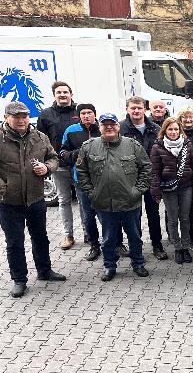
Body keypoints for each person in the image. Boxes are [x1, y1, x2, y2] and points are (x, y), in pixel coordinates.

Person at [76, 113, 152, 282]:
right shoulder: (88, 147)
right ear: (99, 127)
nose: (109, 127)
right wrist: (91, 192)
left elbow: (146, 168)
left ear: (118, 126)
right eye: (105, 125)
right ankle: (109, 266)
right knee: (108, 238)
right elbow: (81, 172)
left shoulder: (132, 145)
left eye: (112, 124)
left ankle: (138, 263)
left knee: (134, 236)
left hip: (130, 202)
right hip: (104, 203)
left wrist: (137, 190)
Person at [0, 101, 64, 297]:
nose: (21, 120)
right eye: (16, 116)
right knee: (15, 242)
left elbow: (53, 157)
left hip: (36, 198)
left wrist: (47, 168)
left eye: (25, 116)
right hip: (8, 202)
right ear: (6, 118)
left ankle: (44, 270)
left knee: (40, 237)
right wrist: (3, 187)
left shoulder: (39, 136)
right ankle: (19, 280)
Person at [120, 96, 168, 261]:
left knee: (153, 214)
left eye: (139, 108)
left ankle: (157, 245)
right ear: (127, 109)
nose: (136, 111)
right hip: (129, 179)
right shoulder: (120, 128)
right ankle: (136, 247)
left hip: (151, 178)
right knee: (134, 215)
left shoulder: (155, 129)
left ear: (145, 109)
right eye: (133, 108)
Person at [36, 81, 79, 250]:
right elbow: (40, 140)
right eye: (59, 92)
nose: (62, 95)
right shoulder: (46, 114)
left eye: (65, 92)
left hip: (79, 165)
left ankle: (88, 234)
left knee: (84, 201)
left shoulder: (79, 111)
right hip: (59, 165)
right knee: (64, 200)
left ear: (71, 94)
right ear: (54, 95)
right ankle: (68, 235)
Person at [150, 117, 193, 264]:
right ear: (164, 130)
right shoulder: (157, 147)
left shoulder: (187, 145)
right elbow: (155, 172)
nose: (173, 132)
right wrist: (156, 191)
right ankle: (177, 248)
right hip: (168, 188)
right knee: (172, 219)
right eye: (170, 129)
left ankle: (185, 247)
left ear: (180, 130)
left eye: (176, 129)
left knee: (185, 218)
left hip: (186, 187)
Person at [60, 103, 102, 261]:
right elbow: (62, 153)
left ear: (94, 114)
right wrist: (82, 151)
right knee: (88, 216)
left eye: (89, 112)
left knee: (108, 215)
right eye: (83, 113)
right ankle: (94, 245)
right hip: (82, 181)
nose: (86, 116)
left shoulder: (103, 128)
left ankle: (115, 243)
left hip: (104, 180)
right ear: (78, 116)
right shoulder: (71, 131)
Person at [177, 106, 193, 252]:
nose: (187, 120)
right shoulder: (176, 135)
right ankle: (191, 240)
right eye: (184, 117)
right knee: (188, 212)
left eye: (190, 117)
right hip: (185, 180)